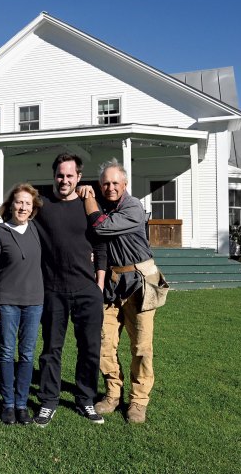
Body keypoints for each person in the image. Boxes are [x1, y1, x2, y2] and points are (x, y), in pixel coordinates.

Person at [0, 153, 107, 426]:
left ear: (78, 177)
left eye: (70, 176)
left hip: (87, 288)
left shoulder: (89, 204)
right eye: (60, 175)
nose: (64, 180)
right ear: (54, 176)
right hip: (52, 290)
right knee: (51, 349)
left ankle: (85, 399)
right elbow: (17, 222)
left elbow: (100, 245)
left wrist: (99, 282)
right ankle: (48, 402)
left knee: (90, 348)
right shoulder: (43, 207)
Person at [78, 158, 161, 424]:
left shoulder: (133, 207)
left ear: (125, 184)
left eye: (115, 182)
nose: (110, 187)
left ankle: (138, 401)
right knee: (105, 344)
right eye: (105, 183)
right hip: (111, 285)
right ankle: (113, 394)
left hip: (140, 284)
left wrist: (88, 197)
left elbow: (100, 225)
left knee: (141, 348)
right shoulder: (102, 205)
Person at [0, 183, 44, 425]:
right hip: (7, 302)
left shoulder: (37, 230)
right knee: (7, 352)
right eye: (19, 202)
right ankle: (7, 404)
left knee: (28, 354)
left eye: (27, 203)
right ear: (11, 205)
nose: (23, 207)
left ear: (33, 208)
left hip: (34, 302)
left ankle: (22, 405)